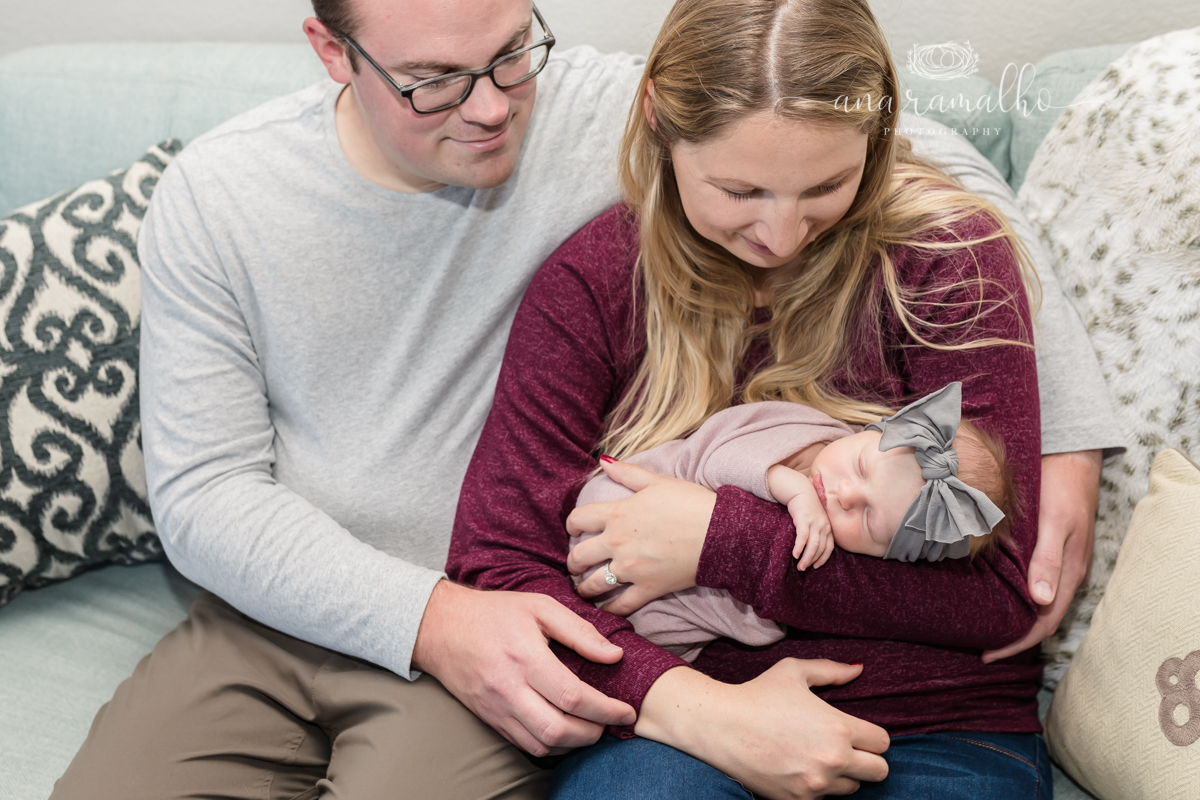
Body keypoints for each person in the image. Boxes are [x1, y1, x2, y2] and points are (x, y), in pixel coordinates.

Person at [50, 0, 1117, 797]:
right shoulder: (232, 197)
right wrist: (684, 699)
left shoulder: (901, 233)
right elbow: (213, 497)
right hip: (391, 616)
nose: (491, 106)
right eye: (434, 80)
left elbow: (869, 138)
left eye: (512, 51)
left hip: (920, 713)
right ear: (333, 52)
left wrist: (1061, 431)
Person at [446, 1, 1118, 797]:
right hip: (683, 728)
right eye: (740, 190)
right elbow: (502, 564)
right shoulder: (592, 288)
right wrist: (691, 707)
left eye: (827, 185)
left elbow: (1002, 591)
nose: (783, 234)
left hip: (939, 724)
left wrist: (720, 543)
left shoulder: (947, 260)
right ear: (658, 119)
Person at [571, 383, 1015, 662]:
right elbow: (718, 457)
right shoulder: (809, 434)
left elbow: (756, 613)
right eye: (861, 467)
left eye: (869, 519)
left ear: (887, 557)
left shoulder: (835, 567)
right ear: (870, 430)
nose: (845, 494)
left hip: (641, 610)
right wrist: (793, 489)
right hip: (625, 503)